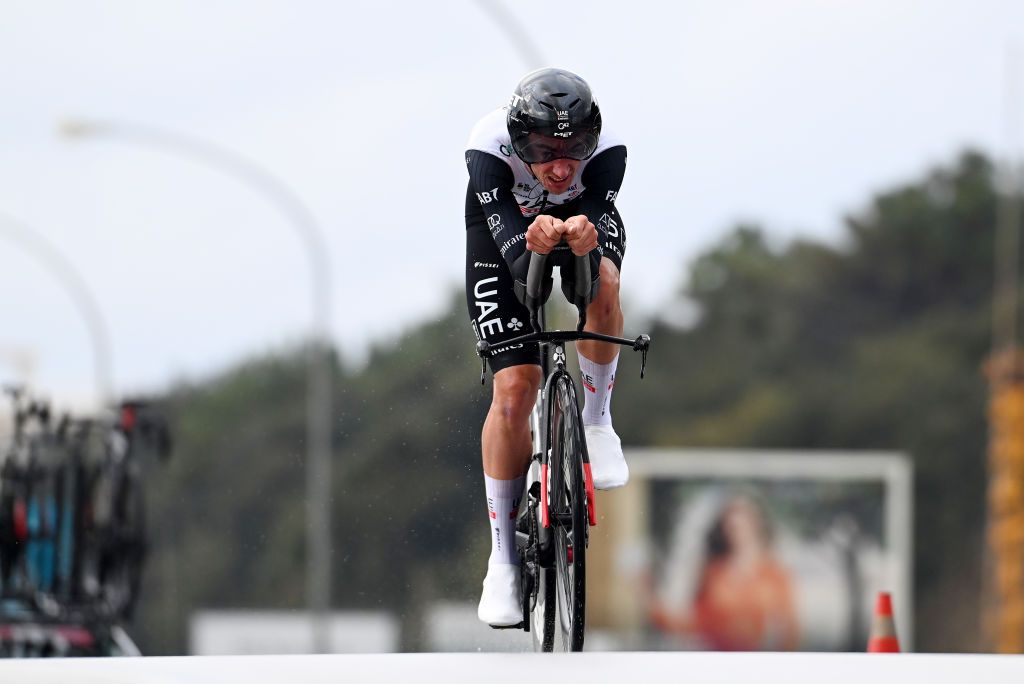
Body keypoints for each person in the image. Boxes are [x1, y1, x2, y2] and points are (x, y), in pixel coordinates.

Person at [464, 67, 629, 626]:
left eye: (574, 150)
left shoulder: (608, 151)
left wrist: (586, 236)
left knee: (603, 283)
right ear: (517, 141)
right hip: (506, 230)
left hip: (581, 222)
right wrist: (528, 243)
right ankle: (503, 561)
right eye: (543, 150)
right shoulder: (488, 150)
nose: (561, 166)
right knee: (515, 389)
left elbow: (600, 213)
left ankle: (597, 420)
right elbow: (514, 260)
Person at [649, 493, 799, 650]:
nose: (738, 532)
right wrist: (653, 602)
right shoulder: (714, 573)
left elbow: (789, 631)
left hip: (760, 662)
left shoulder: (774, 576)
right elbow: (695, 622)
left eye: (744, 525)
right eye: (732, 526)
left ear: (757, 526)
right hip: (718, 660)